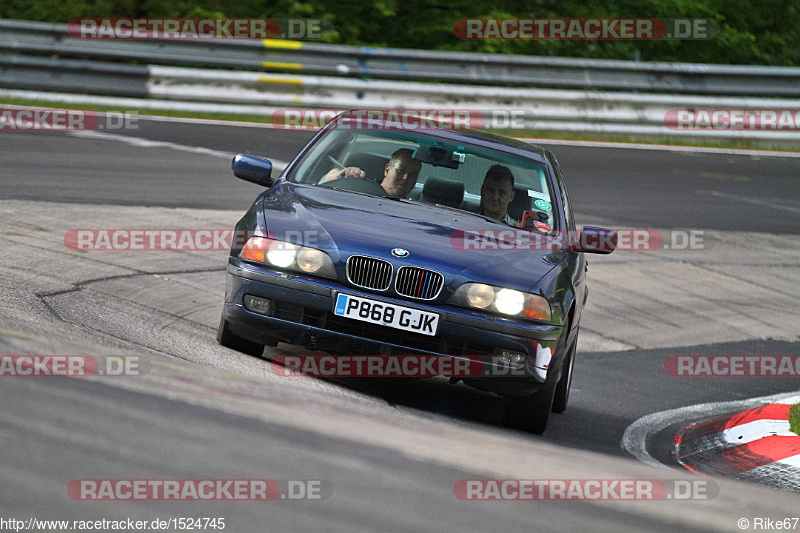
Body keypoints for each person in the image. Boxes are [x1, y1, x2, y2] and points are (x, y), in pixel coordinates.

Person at [320, 148, 421, 198]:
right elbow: (328, 179)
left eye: (413, 175)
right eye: (401, 171)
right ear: (387, 170)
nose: (406, 177)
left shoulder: (414, 211)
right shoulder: (361, 187)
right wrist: (341, 174)